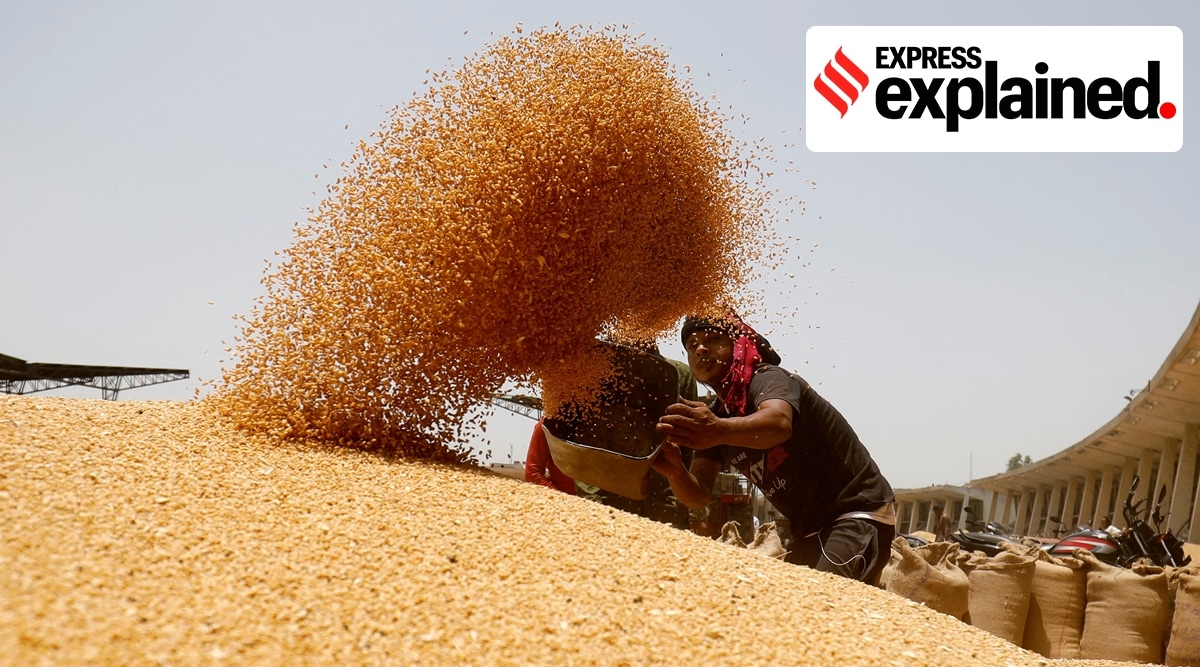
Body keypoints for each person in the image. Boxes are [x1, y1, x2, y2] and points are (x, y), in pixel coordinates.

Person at [653, 309, 896, 585]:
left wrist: (717, 430)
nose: (701, 349)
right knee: (780, 610)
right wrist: (675, 472)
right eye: (691, 345)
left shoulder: (768, 379)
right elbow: (697, 496)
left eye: (712, 339)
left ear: (739, 344)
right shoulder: (718, 414)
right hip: (808, 532)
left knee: (821, 604)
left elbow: (779, 423)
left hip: (856, 515)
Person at [524, 417, 577, 495]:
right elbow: (533, 473)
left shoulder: (598, 423)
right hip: (564, 501)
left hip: (598, 501)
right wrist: (561, 498)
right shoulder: (548, 423)